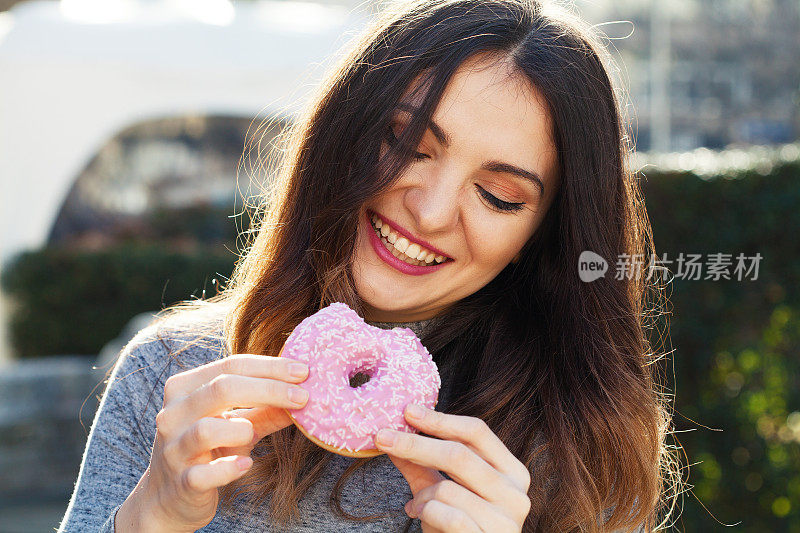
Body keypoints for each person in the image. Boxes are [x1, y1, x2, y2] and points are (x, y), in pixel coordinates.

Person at [58, 0, 682, 531]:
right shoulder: (175, 376)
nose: (432, 212)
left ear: (541, 234)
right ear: (344, 132)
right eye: (408, 143)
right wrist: (151, 514)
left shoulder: (575, 446)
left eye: (499, 196)